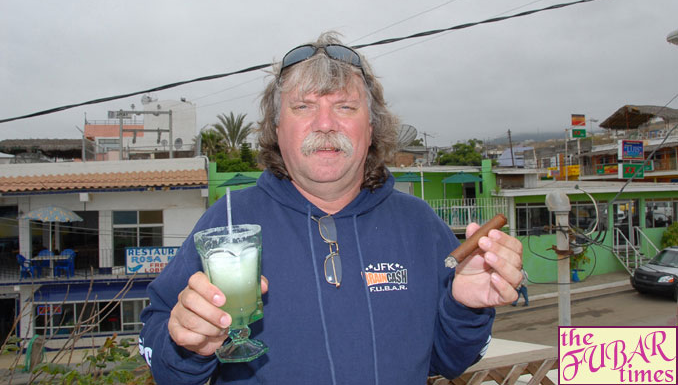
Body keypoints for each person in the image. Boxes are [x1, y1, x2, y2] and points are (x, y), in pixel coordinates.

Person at [138, 32, 523, 385]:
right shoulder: (229, 219)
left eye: (345, 106)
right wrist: (185, 342)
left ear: (370, 127)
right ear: (277, 128)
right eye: (303, 106)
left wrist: (466, 308)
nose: (325, 124)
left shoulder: (420, 224)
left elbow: (448, 361)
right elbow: (161, 352)